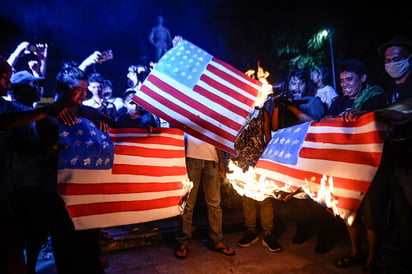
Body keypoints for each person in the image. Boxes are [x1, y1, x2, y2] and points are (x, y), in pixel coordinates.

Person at [36, 61, 116, 274]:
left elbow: (117, 128)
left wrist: (106, 129)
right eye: (76, 89)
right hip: (59, 193)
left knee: (89, 243)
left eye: (84, 88)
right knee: (65, 246)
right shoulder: (46, 113)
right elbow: (40, 110)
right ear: (62, 88)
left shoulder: (89, 113)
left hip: (87, 191)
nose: (82, 93)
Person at [269, 68, 339, 254]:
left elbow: (316, 123)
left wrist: (293, 108)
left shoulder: (313, 101)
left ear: (305, 84)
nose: (297, 86)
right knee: (298, 199)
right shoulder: (283, 102)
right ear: (288, 84)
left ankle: (326, 235)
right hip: (292, 155)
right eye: (293, 82)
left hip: (314, 155)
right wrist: (277, 106)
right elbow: (275, 126)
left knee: (318, 200)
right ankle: (303, 228)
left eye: (300, 83)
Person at [9, 70, 49, 274]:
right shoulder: (14, 112)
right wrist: (48, 150)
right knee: (24, 232)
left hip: (32, 181)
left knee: (36, 232)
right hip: (20, 183)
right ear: (18, 90)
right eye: (32, 85)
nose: (37, 88)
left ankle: (30, 268)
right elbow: (23, 146)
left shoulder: (30, 111)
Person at [175, 134, 235, 258]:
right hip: (190, 157)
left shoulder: (214, 114)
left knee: (215, 204)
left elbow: (216, 136)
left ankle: (216, 241)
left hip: (212, 160)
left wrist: (220, 161)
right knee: (188, 204)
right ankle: (183, 242)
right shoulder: (187, 114)